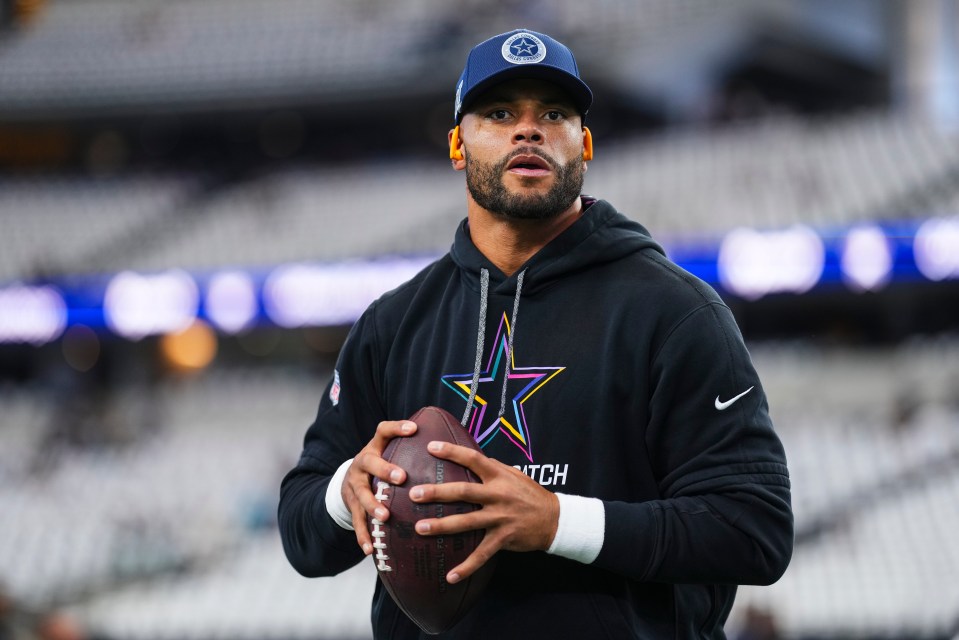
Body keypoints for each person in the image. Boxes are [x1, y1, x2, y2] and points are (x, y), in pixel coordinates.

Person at [279, 28, 793, 639]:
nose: (529, 130)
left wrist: (556, 523)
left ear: (585, 143)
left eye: (554, 114)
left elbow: (754, 529)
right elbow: (303, 535)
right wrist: (347, 491)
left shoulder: (674, 312)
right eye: (499, 113)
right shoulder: (393, 324)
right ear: (457, 145)